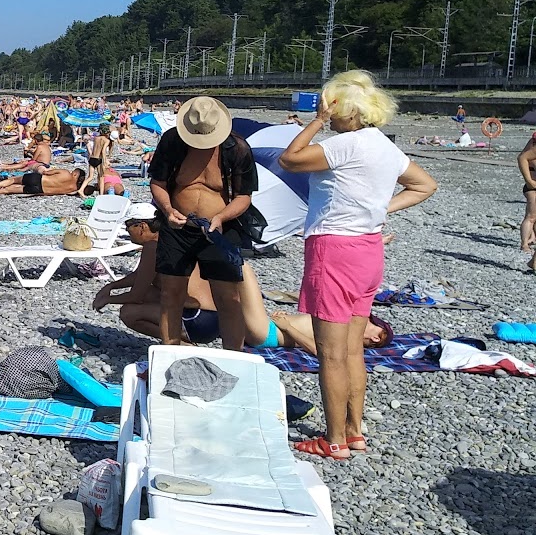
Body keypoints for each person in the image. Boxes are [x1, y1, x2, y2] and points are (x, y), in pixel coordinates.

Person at [278, 71, 437, 460]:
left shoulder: (346, 145)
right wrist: (382, 208)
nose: (328, 115)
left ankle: (333, 440)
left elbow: (290, 159)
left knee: (331, 354)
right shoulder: (384, 146)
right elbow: (424, 185)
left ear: (344, 109)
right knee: (351, 351)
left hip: (334, 249)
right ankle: (353, 430)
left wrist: (313, 122)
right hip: (368, 250)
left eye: (331, 107)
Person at [148, 96, 257, 351]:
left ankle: (233, 357)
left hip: (219, 229)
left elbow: (244, 197)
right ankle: (169, 352)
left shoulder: (236, 148)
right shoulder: (173, 141)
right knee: (171, 294)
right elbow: (158, 183)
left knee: (228, 297)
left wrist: (221, 217)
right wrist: (167, 208)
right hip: (177, 226)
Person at [96, 213, 278, 347]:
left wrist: (108, 299)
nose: (128, 232)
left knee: (129, 312)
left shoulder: (153, 247)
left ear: (142, 227)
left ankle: (183, 346)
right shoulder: (168, 243)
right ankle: (181, 341)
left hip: (198, 319)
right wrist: (112, 286)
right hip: (214, 320)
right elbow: (139, 277)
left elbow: (136, 294)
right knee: (151, 293)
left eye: (129, 227)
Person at [519, 131, 536, 271]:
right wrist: (529, 180)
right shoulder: (532, 146)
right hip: (533, 186)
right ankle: (524, 243)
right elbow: (522, 158)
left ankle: (534, 262)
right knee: (530, 217)